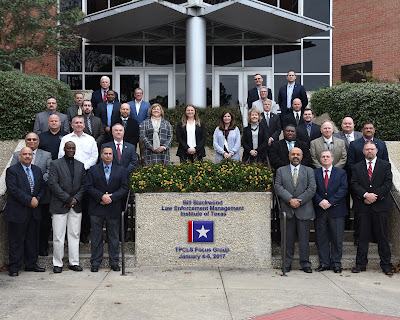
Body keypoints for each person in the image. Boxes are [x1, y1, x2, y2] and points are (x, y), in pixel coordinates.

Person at [350, 141, 393, 276]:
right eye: (367, 149)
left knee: (382, 236)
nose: (369, 151)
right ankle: (361, 264)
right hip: (363, 207)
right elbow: (353, 184)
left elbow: (387, 183)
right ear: (363, 152)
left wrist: (375, 196)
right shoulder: (356, 167)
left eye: (372, 149)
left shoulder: (385, 165)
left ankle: (386, 264)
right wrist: (365, 195)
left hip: (380, 206)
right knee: (362, 237)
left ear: (376, 151)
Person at [86, 146, 129, 272]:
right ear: (101, 155)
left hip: (113, 207)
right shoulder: (93, 170)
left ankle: (114, 262)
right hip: (96, 207)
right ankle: (95, 262)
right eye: (106, 153)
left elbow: (125, 188)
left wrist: (112, 197)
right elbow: (88, 187)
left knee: (114, 236)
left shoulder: (121, 170)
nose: (108, 155)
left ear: (113, 155)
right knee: (96, 237)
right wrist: (101, 197)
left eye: (110, 153)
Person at [4, 147, 47, 276]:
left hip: (34, 211)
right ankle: (14, 267)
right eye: (25, 154)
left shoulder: (37, 170)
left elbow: (42, 187)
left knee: (32, 239)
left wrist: (37, 199)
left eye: (30, 154)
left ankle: (31, 264)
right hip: (18, 211)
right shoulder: (12, 171)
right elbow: (13, 190)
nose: (28, 156)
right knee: (16, 240)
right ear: (19, 156)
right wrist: (29, 200)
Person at [275, 147, 316, 273]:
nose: (295, 156)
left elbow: (312, 188)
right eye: (293, 154)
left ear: (302, 157)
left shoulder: (309, 170)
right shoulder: (281, 171)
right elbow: (278, 186)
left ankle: (305, 263)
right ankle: (286, 263)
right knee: (287, 240)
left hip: (304, 209)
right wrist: (290, 199)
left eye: (298, 154)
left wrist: (299, 201)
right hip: (287, 210)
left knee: (304, 240)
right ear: (289, 156)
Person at [58, 115, 99, 243]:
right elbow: (60, 155)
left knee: (84, 204)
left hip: (86, 173)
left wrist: (81, 167)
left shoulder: (91, 139)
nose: (79, 125)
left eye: (81, 123)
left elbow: (94, 157)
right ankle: (67, 234)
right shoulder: (66, 138)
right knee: (68, 202)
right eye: (76, 123)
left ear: (84, 125)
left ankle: (84, 234)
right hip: (68, 174)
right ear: (72, 125)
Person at [10, 133, 52, 257]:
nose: (32, 141)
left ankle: (36, 256)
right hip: (21, 203)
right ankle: (18, 262)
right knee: (19, 236)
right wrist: (29, 197)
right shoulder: (15, 162)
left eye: (34, 139)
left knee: (38, 231)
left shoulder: (44, 158)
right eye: (29, 139)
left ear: (38, 142)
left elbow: (48, 176)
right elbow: (13, 180)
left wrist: (37, 193)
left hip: (39, 201)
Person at [48, 141, 86, 273]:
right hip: (59, 205)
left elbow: (83, 185)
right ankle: (57, 263)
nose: (71, 150)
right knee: (58, 236)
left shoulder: (80, 165)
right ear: (64, 149)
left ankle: (73, 262)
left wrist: (75, 199)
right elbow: (53, 184)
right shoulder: (55, 164)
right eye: (68, 148)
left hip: (75, 206)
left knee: (74, 235)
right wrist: (67, 199)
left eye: (73, 148)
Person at [313, 150, 348, 274]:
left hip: (336, 210)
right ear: (320, 159)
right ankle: (324, 263)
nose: (325, 158)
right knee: (321, 238)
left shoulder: (341, 173)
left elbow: (343, 189)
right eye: (323, 157)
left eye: (328, 156)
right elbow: (312, 189)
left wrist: (330, 202)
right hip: (320, 210)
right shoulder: (315, 173)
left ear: (332, 159)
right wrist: (320, 201)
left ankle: (336, 263)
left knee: (337, 238)